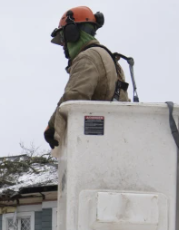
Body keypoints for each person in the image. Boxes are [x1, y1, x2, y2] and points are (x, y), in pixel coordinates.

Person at [45, 6, 130, 153]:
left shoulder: (87, 58)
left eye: (64, 38)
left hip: (97, 145)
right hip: (113, 140)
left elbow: (74, 98)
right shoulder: (109, 58)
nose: (63, 45)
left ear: (72, 33)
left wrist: (52, 128)